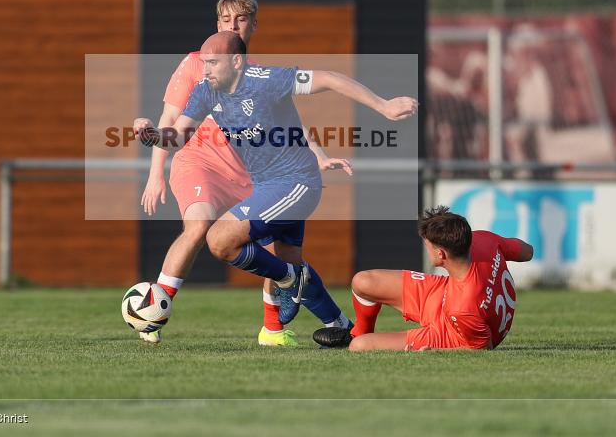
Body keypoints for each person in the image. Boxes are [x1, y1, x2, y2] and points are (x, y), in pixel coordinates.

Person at [134, 31, 418, 331]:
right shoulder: (206, 90)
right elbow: (178, 137)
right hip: (268, 185)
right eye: (204, 63)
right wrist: (152, 135)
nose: (205, 70)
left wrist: (384, 106)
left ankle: (288, 279)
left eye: (213, 63)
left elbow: (332, 78)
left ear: (237, 61)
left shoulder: (266, 79)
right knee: (289, 258)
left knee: (219, 241)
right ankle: (342, 327)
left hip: (296, 183)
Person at [140, 0, 352, 346]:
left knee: (281, 257)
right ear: (216, 25)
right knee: (200, 227)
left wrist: (317, 154)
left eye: (240, 19)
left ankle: (281, 329)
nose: (233, 25)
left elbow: (287, 122)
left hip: (251, 171)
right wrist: (155, 173)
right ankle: (155, 312)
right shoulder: (198, 63)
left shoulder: (252, 71)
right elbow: (170, 121)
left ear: (253, 25)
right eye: (226, 20)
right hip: (200, 162)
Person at [313, 205, 533, 351]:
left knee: (359, 347)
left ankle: (355, 340)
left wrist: (435, 350)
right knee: (363, 281)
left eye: (428, 245)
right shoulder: (482, 240)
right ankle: (357, 332)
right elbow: (527, 251)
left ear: (441, 255)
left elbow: (483, 348)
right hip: (445, 291)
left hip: (453, 332)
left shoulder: (464, 307)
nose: (425, 248)